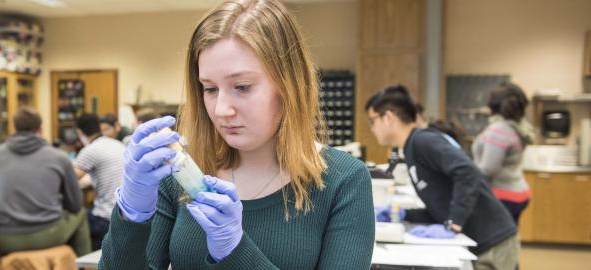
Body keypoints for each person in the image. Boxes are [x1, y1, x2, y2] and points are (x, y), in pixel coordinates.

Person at [100, 0, 375, 269]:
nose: (221, 110)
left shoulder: (344, 180)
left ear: (289, 85)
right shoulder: (180, 172)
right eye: (209, 89)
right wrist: (132, 214)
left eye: (242, 87)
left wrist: (236, 251)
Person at [367, 85, 518, 270]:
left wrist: (455, 223)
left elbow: (467, 171)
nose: (372, 129)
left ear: (389, 117)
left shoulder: (423, 141)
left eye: (372, 121)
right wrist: (405, 214)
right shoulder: (411, 148)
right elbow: (441, 202)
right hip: (479, 242)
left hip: (493, 241)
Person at [0, 107, 91, 256]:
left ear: (14, 127)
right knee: (80, 214)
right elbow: (74, 205)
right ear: (40, 129)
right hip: (46, 235)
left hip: (7, 238)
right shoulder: (59, 157)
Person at [472, 82, 533, 224]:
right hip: (518, 191)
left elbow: (488, 169)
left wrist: (464, 171)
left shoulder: (498, 130)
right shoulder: (517, 126)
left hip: (502, 195)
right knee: (509, 239)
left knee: (497, 243)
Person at [73, 113, 126, 250]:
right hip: (127, 214)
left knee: (75, 221)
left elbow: (69, 179)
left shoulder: (91, 149)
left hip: (106, 218)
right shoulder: (118, 144)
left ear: (80, 132)